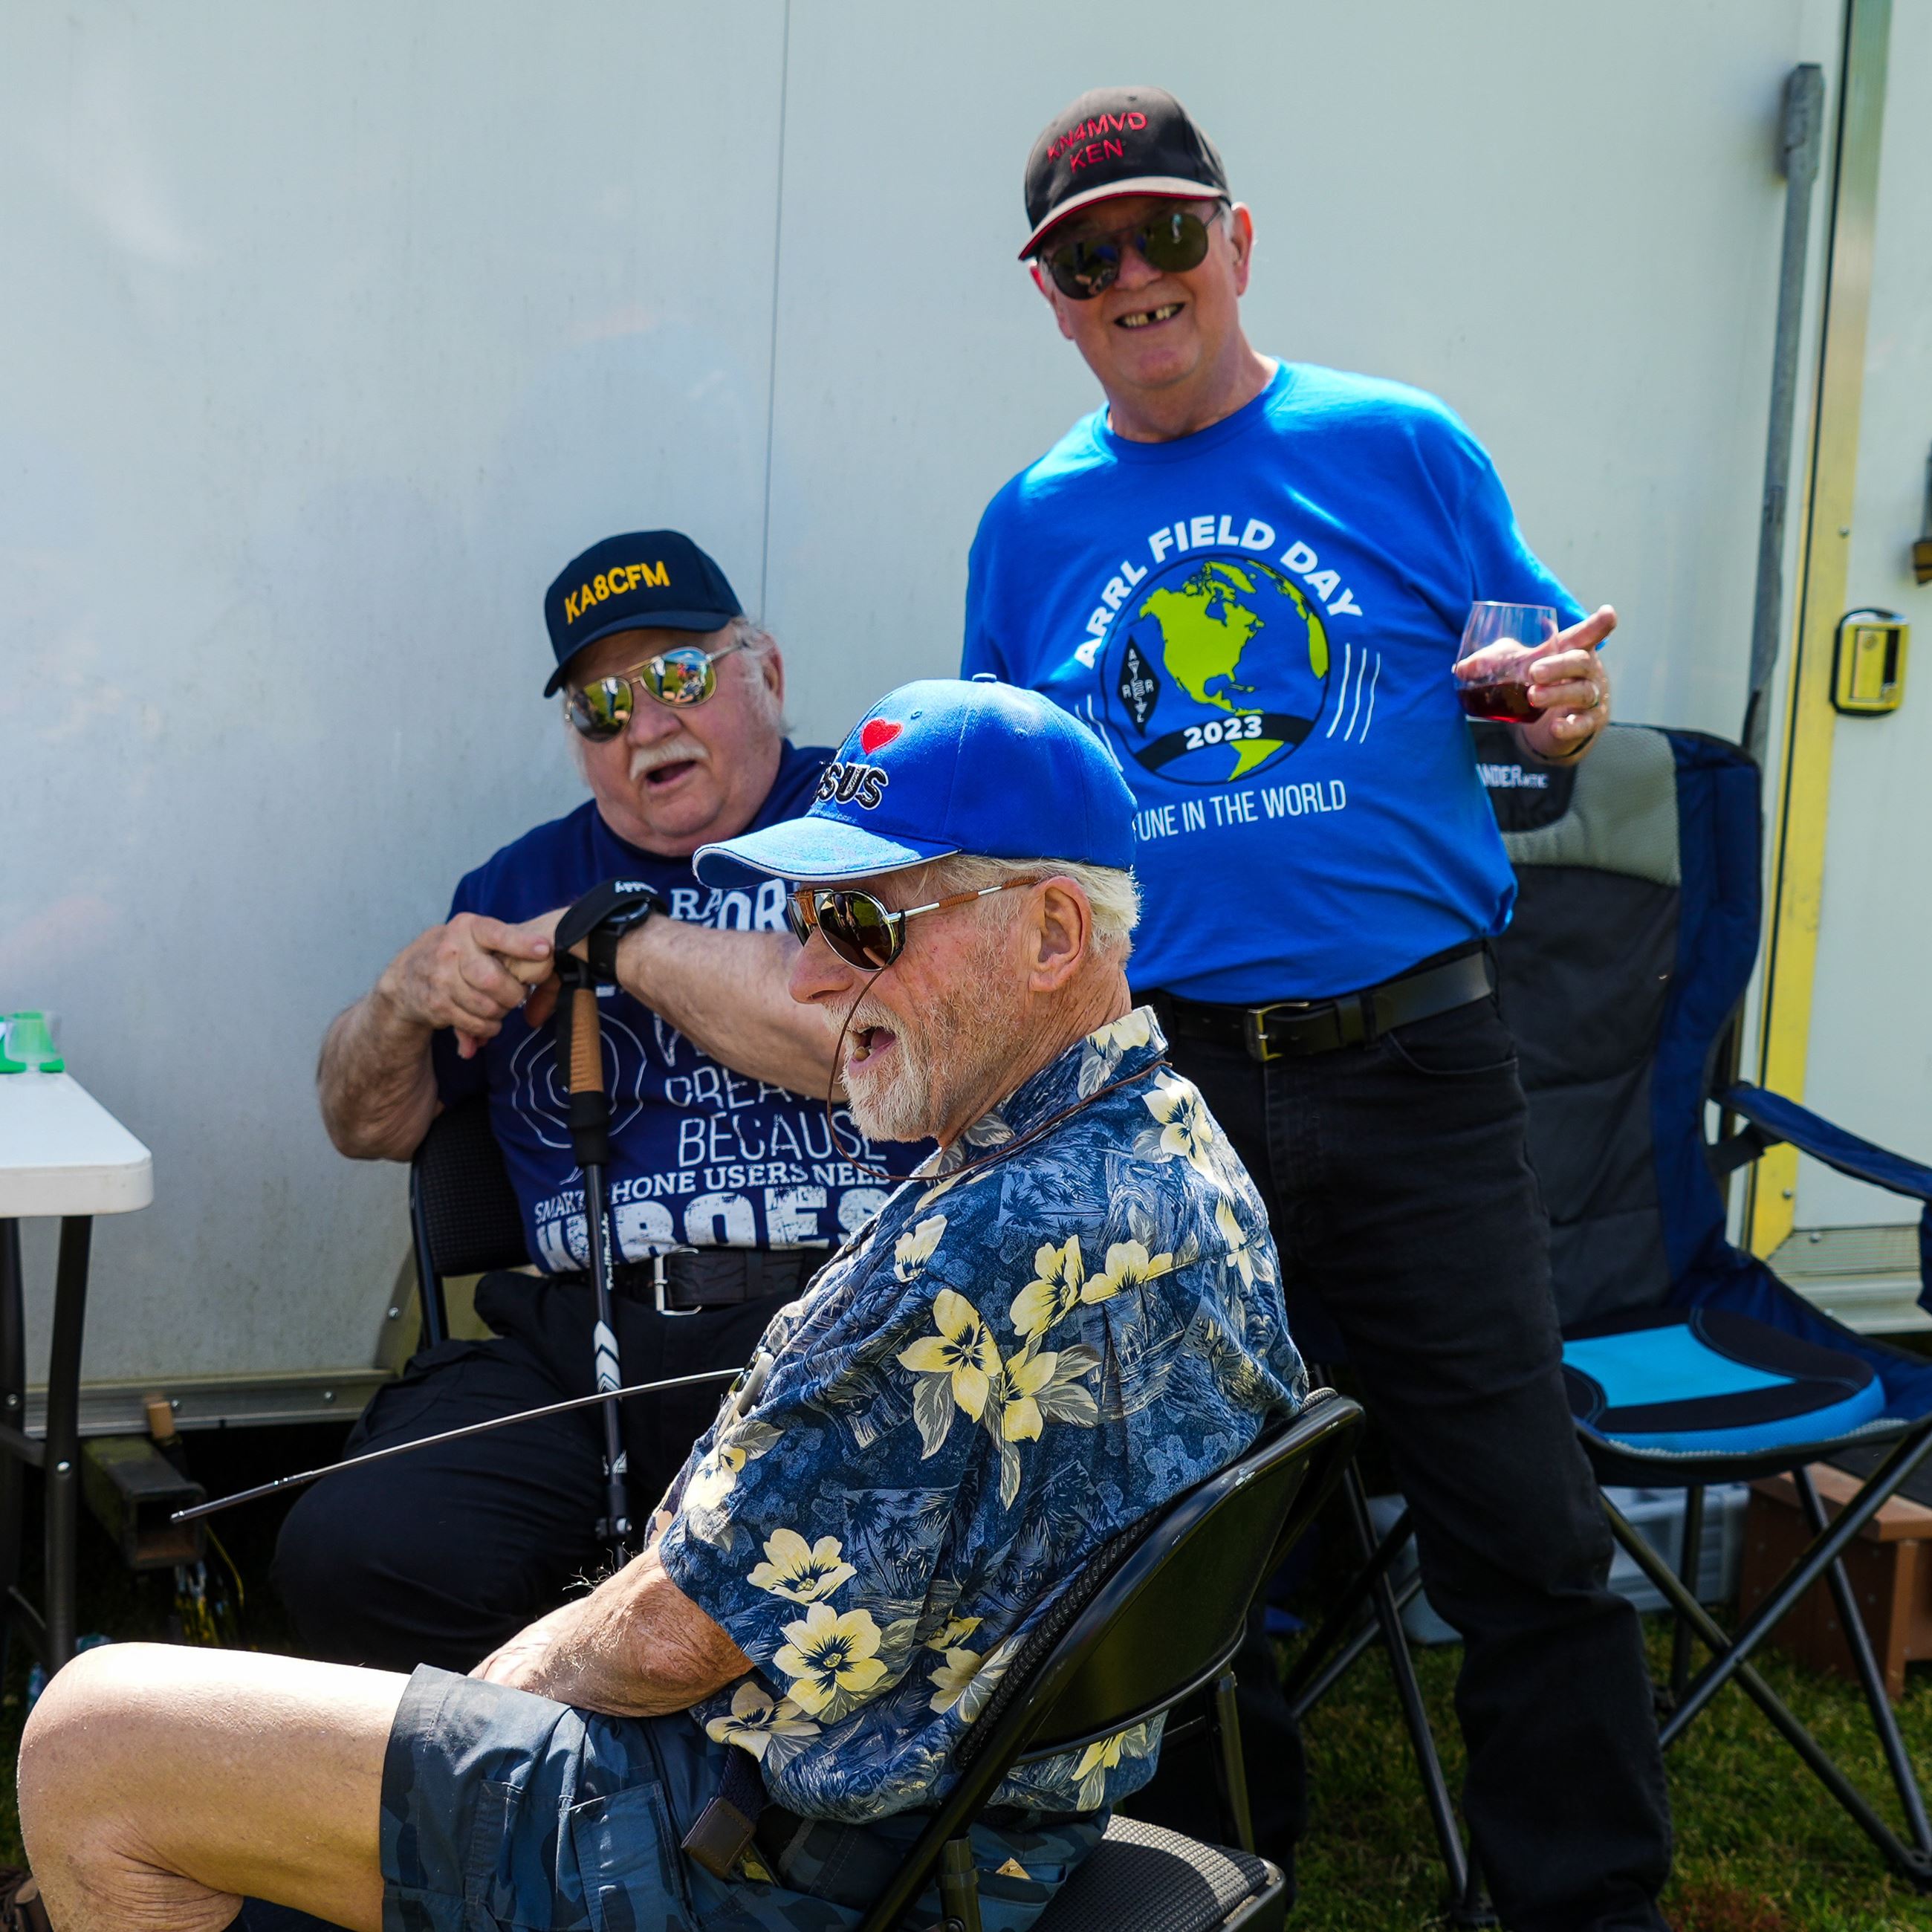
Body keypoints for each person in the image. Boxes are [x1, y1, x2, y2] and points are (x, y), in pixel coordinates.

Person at [19, 677, 1306, 1932]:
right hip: (969, 1830)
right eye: (805, 922)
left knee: (93, 1736)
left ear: (1054, 937)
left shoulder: (993, 1240)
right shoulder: (1167, 1144)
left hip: (767, 1859)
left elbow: (675, 1641)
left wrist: (472, 1712)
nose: (809, 979)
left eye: (862, 926)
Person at [962, 85, 1671, 1931]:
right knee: (1179, 1546)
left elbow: (1529, 692)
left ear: (1237, 242)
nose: (1134, 276)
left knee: (1524, 1532)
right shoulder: (1027, 527)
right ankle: (1212, 1896)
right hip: (1165, 1092)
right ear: (1050, 297)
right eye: (1086, 256)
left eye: (1165, 232)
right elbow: (1009, 820)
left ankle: (1583, 1907)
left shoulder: (1400, 446)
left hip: (1415, 1064)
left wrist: (1558, 712)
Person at [282, 528, 902, 1674]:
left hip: (847, 1314)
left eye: (678, 677)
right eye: (601, 705)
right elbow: (364, 1124)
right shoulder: (516, 882)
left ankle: (706, 1763)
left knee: (847, 1560)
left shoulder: (869, 827)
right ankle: (562, 1766)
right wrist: (398, 1002)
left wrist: (629, 942)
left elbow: (869, 1040)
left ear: (766, 671)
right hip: (591, 1335)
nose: (645, 725)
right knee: (357, 1549)